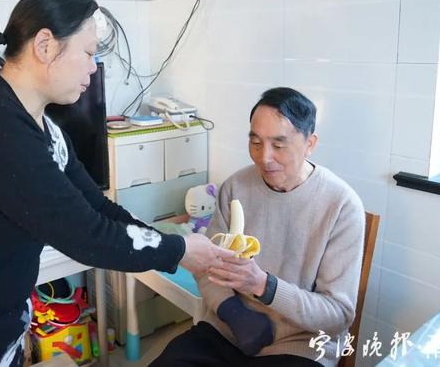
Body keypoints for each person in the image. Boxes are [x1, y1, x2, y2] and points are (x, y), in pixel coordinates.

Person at [0, 0, 233, 367]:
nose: (93, 67)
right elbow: (87, 236)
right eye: (88, 53)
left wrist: (173, 243)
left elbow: (97, 208)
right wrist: (180, 251)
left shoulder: (41, 128)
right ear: (45, 45)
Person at [152, 87, 365, 367]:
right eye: (255, 142)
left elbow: (337, 314)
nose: (264, 157)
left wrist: (264, 285)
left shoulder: (341, 205)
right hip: (228, 330)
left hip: (299, 344)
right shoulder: (235, 187)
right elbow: (206, 267)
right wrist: (232, 311)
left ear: (310, 143)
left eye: (279, 145)